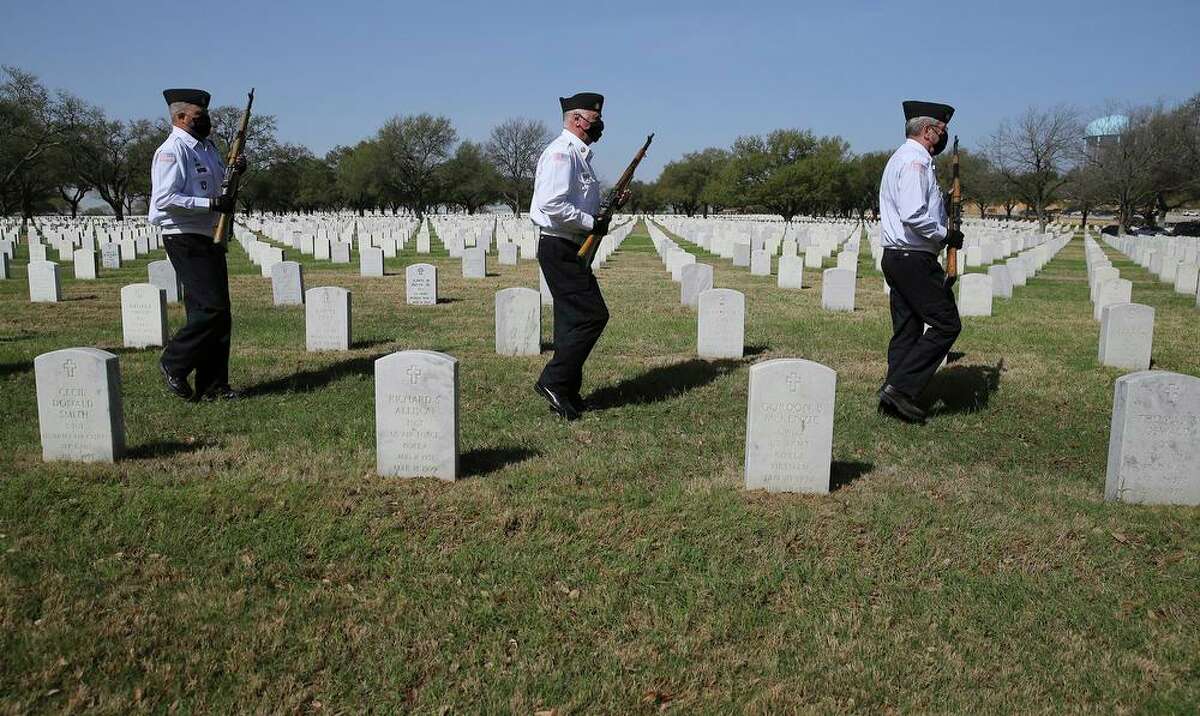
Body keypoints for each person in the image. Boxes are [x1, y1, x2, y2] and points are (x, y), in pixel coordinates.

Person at [529, 92, 624, 420]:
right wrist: (591, 222)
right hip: (558, 245)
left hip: (570, 245)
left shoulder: (579, 156)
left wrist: (602, 212)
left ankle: (567, 390)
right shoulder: (561, 154)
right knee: (592, 315)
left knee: (571, 320)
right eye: (594, 121)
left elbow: (576, 203)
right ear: (576, 120)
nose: (598, 127)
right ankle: (553, 380)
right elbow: (551, 204)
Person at [149, 88, 246, 402]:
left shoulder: (206, 148)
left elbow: (220, 188)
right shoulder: (172, 150)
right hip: (184, 235)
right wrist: (210, 204)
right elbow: (164, 199)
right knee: (211, 309)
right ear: (180, 117)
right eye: (200, 116)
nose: (207, 121)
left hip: (209, 235)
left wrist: (236, 171)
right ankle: (174, 362)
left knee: (219, 313)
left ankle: (214, 386)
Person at [877, 100, 965, 424]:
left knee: (907, 329)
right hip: (912, 257)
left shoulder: (905, 159)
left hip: (899, 257)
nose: (943, 137)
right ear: (928, 131)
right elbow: (913, 214)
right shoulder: (914, 162)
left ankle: (892, 395)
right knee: (946, 323)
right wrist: (946, 235)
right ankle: (900, 388)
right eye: (941, 131)